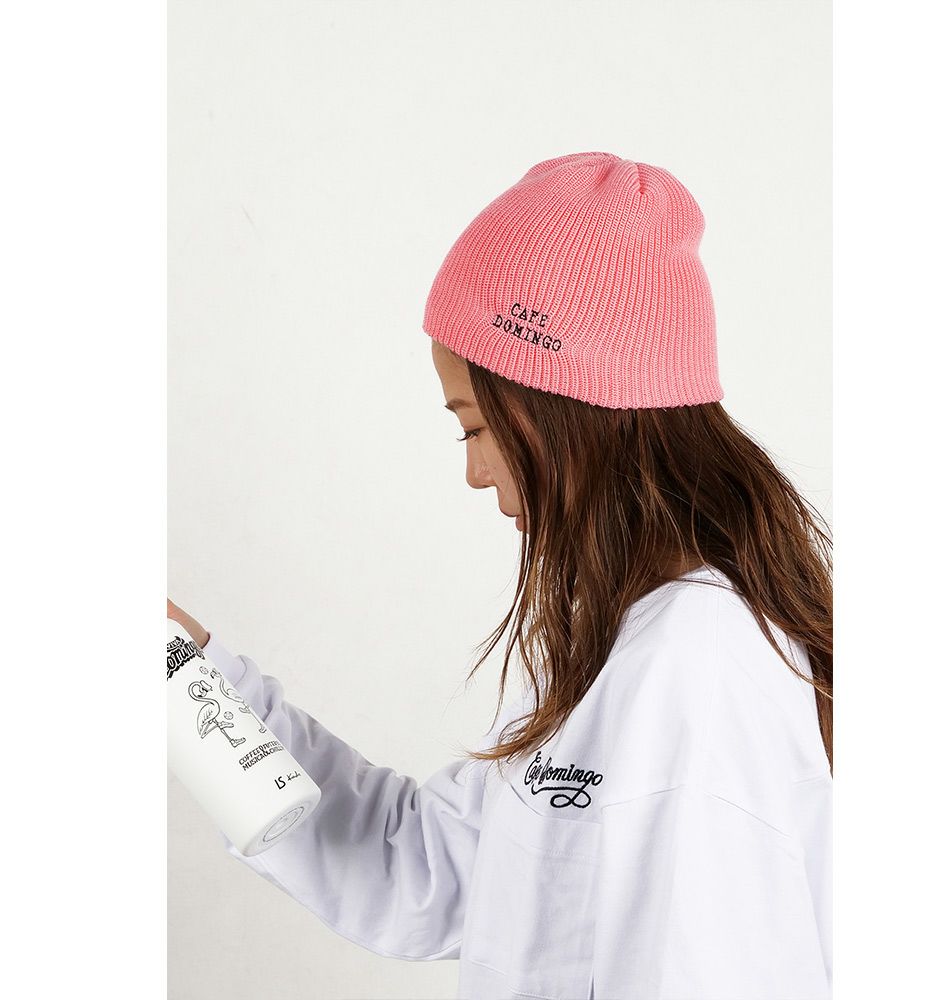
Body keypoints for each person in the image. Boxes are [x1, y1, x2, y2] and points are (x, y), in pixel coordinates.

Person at [169, 151, 833, 1000]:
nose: (474, 473)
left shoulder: (698, 669)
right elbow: (413, 870)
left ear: (564, 408)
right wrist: (184, 675)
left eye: (474, 427)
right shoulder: (626, 649)